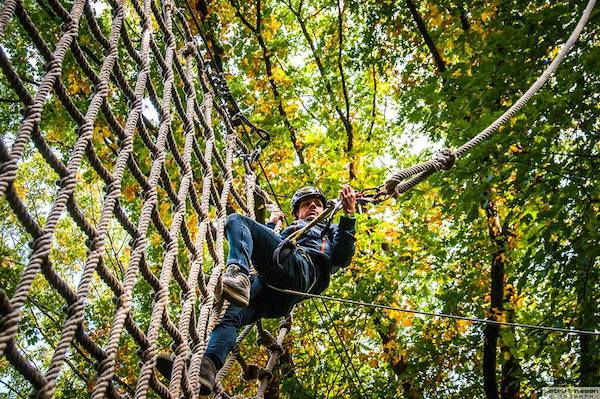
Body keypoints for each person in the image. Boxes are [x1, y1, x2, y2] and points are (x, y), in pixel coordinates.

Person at [157, 185, 357, 395]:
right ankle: (206, 368)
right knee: (227, 317)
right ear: (296, 212)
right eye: (307, 204)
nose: (314, 206)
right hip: (273, 294)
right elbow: (258, 240)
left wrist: (348, 215)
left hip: (301, 270)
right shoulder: (291, 230)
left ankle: (239, 275)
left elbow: (343, 258)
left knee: (236, 220)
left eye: (317, 203)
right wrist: (272, 223)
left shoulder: (329, 230)